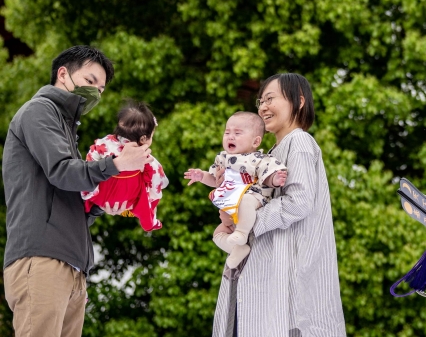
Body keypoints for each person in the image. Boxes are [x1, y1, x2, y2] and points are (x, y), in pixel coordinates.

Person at [2, 45, 150, 337]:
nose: (96, 90)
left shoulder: (67, 127)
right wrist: (117, 163)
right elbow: (63, 172)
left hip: (72, 266)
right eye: (90, 80)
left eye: (102, 87)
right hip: (43, 257)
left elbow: (69, 196)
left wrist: (100, 205)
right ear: (63, 74)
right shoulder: (39, 111)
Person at [211, 73, 345, 337]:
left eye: (270, 98)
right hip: (265, 277)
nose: (262, 106)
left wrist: (246, 221)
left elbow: (299, 202)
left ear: (299, 101)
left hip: (287, 282)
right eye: (261, 100)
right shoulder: (269, 154)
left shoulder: (300, 142)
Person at [184, 111, 287, 268]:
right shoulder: (223, 159)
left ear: (255, 141)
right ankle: (238, 249)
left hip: (253, 199)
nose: (230, 136)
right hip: (230, 210)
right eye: (227, 132)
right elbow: (214, 179)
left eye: (237, 133)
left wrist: (275, 179)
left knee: (246, 201)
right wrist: (202, 176)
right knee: (218, 233)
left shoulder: (258, 159)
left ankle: (241, 233)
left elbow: (267, 174)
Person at [82, 99, 169, 231]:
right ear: (143, 139)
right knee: (149, 197)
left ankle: (86, 202)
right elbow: (157, 179)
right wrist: (154, 197)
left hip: (99, 197)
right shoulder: (144, 157)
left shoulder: (104, 144)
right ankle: (150, 221)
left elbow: (91, 159)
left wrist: (88, 192)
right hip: (128, 199)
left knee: (92, 173)